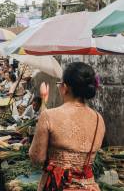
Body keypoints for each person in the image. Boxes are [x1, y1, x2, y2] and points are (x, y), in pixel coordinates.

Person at [29, 62, 105, 191]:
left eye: (59, 84)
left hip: (59, 186)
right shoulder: (99, 119)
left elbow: (37, 158)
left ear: (65, 87)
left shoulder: (49, 116)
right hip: (88, 186)